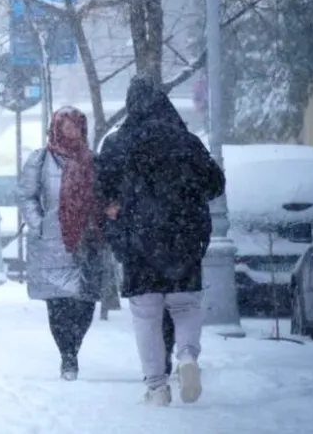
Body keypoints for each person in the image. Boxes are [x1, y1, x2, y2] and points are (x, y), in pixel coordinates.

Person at [98, 76, 225, 406]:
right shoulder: (186, 141)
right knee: (185, 307)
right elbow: (214, 184)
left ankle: (156, 387)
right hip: (185, 237)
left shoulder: (117, 143)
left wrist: (117, 211)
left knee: (146, 313)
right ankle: (186, 358)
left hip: (139, 240)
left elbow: (103, 193)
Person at [17, 107, 106, 381]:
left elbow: (103, 196)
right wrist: (39, 223)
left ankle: (74, 345)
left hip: (87, 241)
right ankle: (67, 355)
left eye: (76, 127)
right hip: (52, 243)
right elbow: (27, 196)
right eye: (66, 127)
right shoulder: (41, 160)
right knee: (58, 304)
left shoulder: (93, 162)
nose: (72, 132)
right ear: (55, 128)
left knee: (85, 302)